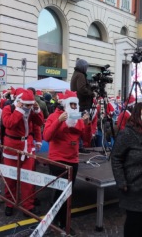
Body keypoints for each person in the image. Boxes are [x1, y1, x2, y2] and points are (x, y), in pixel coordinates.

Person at [43, 90, 91, 231]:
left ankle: (64, 222)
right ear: (65, 104)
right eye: (72, 105)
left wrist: (87, 124)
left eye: (76, 105)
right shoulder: (54, 116)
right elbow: (46, 136)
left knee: (68, 193)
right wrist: (58, 121)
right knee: (58, 193)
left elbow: (87, 141)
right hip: (58, 160)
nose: (74, 108)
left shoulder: (78, 120)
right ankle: (54, 222)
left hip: (73, 160)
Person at [111, 102, 142, 237]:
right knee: (133, 223)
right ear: (136, 115)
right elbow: (116, 158)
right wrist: (121, 182)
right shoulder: (127, 134)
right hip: (132, 186)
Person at [2, 89, 44, 216]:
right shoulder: (8, 109)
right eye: (27, 105)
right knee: (10, 179)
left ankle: (28, 205)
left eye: (31, 104)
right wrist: (19, 110)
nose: (29, 107)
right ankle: (10, 203)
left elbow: (39, 123)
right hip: (12, 148)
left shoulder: (31, 109)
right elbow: (9, 124)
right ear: (19, 101)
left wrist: (37, 110)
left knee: (28, 179)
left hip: (27, 146)